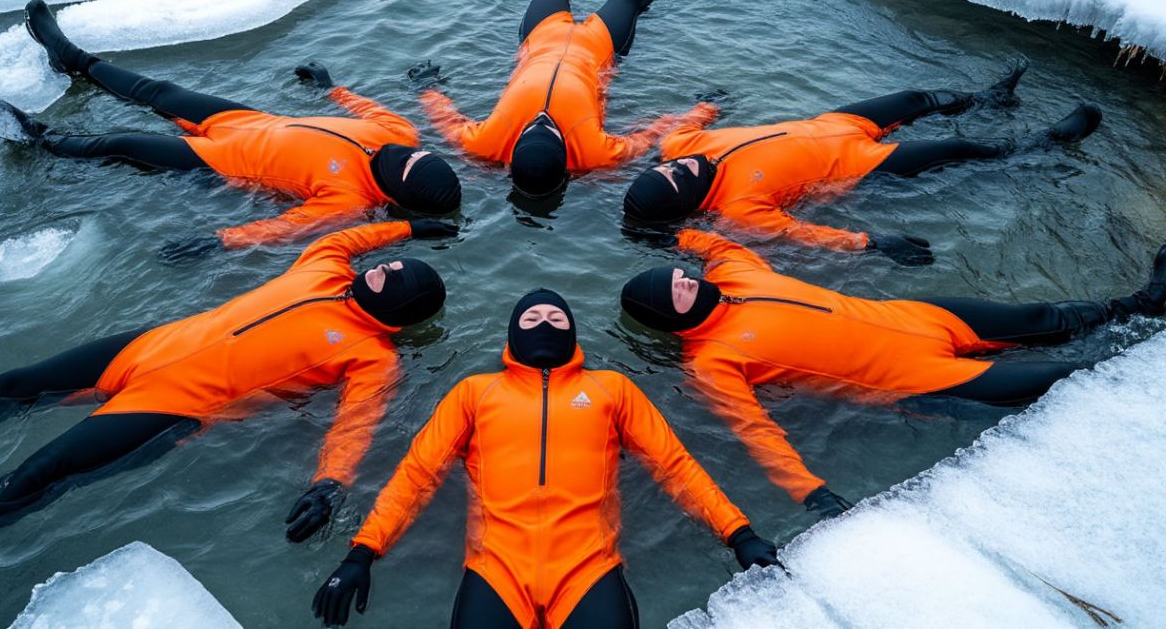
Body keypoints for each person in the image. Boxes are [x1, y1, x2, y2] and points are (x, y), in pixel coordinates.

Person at [0, 221, 456, 573]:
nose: (382, 269)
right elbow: (344, 236)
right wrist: (408, 228)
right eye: (388, 265)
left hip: (173, 406)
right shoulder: (325, 270)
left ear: (400, 314)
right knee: (15, 384)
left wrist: (330, 484)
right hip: (144, 349)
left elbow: (356, 423)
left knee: (42, 470)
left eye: (394, 277)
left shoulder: (372, 356)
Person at [311, 289, 779, 628]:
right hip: (495, 567)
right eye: (532, 317)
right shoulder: (475, 392)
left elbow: (675, 466)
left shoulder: (610, 389)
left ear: (573, 332)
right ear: (513, 331)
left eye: (556, 318)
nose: (544, 323)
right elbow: (417, 475)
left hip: (589, 566)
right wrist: (362, 552)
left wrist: (738, 533)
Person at [620, 229, 1166, 518]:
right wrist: (809, 492)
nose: (687, 282)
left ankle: (1143, 304)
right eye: (677, 290)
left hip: (921, 317)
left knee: (1041, 319)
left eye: (682, 277)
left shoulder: (738, 274)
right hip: (917, 378)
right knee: (1071, 377)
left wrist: (675, 235)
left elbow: (720, 244)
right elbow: (756, 432)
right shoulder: (712, 362)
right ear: (669, 319)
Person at [0, 0, 461, 259]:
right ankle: (70, 57)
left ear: (396, 193)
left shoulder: (349, 202)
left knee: (118, 144)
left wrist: (222, 240)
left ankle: (38, 138)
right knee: (156, 91)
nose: (402, 155)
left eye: (406, 168)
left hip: (216, 161)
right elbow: (370, 111)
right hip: (245, 120)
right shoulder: (399, 135)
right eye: (416, 156)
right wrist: (331, 89)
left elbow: (284, 228)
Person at [622, 60, 1104, 266]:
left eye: (660, 171)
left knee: (916, 98)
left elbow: (684, 123)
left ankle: (989, 99)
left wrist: (707, 105)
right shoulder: (739, 209)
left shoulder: (681, 147)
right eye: (671, 182)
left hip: (835, 122)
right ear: (687, 203)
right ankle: (1044, 143)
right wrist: (872, 243)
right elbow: (803, 234)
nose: (671, 169)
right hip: (862, 161)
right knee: (958, 150)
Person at [418, 0, 703, 199]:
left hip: (541, 36)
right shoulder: (596, 153)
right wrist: (707, 109)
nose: (542, 118)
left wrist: (427, 85)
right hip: (599, 45)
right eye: (551, 129)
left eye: (532, 126)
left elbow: (446, 120)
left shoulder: (486, 143)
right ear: (565, 157)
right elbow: (655, 133)